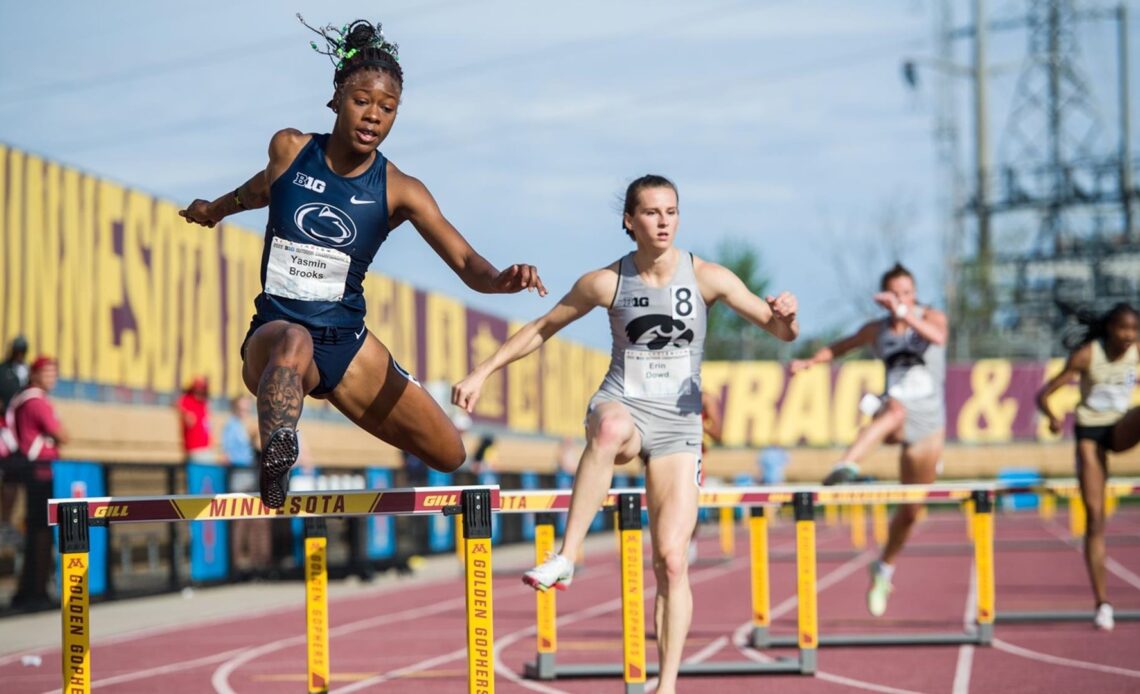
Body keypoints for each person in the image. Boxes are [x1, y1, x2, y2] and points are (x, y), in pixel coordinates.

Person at [179, 17, 545, 509]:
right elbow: (259, 190)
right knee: (294, 338)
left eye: (387, 108)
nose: (373, 115)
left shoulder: (400, 189)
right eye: (362, 101)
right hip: (274, 340)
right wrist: (214, 210)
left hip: (347, 342)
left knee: (449, 453)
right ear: (336, 100)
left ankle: (328, 412)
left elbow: (466, 262)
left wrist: (504, 279)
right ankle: (277, 453)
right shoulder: (290, 149)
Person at [453, 175, 798, 694]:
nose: (664, 221)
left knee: (673, 560)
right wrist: (482, 372)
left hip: (679, 425)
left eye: (672, 211)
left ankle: (667, 686)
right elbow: (542, 328)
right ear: (629, 222)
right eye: (653, 212)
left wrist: (788, 319)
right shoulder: (606, 282)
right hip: (624, 404)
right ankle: (567, 556)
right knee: (610, 428)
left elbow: (778, 330)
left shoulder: (708, 277)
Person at [789, 262, 947, 618]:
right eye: (895, 294)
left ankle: (884, 568)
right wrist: (811, 363)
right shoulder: (877, 331)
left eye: (907, 292)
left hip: (929, 427)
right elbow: (840, 346)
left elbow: (938, 339)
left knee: (911, 511)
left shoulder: (932, 317)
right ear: (884, 297)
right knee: (892, 410)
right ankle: (847, 464)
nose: (901, 299)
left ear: (914, 293)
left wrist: (906, 312)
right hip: (895, 414)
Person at [1036, 302, 1139, 631]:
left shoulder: (1136, 350)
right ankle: (1103, 603)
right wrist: (1053, 417)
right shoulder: (1086, 355)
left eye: (1134, 330)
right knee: (1095, 519)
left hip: (1120, 427)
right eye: (1123, 329)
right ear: (1110, 328)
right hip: (1090, 434)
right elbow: (1043, 394)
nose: (1128, 336)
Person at [7, 356, 68, 610]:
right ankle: (35, 592)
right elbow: (62, 434)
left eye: (55, 372)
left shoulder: (27, 399)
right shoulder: (35, 400)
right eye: (47, 372)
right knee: (41, 532)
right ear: (34, 374)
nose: (52, 377)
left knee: (38, 532)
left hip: (36, 473)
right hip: (39, 474)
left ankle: (29, 590)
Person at [222, 396, 271, 576]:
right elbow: (228, 455)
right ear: (235, 409)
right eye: (242, 408)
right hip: (240, 476)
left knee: (259, 519)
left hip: (253, 476)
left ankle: (259, 561)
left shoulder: (249, 426)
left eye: (247, 408)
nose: (245, 412)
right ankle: (238, 563)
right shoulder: (231, 427)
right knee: (240, 520)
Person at [0, 336, 30, 539]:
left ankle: (10, 522)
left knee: (15, 479)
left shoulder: (26, 372)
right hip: (3, 430)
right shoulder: (3, 371)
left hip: (19, 433)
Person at [178, 376, 214, 464]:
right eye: (198, 389)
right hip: (195, 448)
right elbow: (189, 420)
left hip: (206, 447)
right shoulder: (188, 400)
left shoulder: (203, 403)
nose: (201, 392)